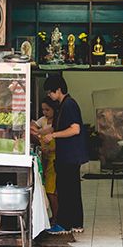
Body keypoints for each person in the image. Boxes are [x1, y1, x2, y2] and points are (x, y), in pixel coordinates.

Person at [41, 74, 87, 234]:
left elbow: (75, 129)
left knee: (67, 190)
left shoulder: (69, 105)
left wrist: (53, 136)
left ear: (58, 89)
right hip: (66, 156)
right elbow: (56, 127)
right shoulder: (62, 106)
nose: (49, 95)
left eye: (50, 92)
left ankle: (65, 224)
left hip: (70, 156)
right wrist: (39, 132)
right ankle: (75, 223)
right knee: (71, 190)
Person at [32, 96, 59, 221]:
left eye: (47, 110)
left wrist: (38, 132)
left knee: (51, 190)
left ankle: (56, 217)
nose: (45, 113)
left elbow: (47, 132)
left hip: (54, 160)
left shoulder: (57, 123)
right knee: (47, 189)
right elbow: (35, 127)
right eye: (43, 110)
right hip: (45, 159)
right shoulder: (42, 120)